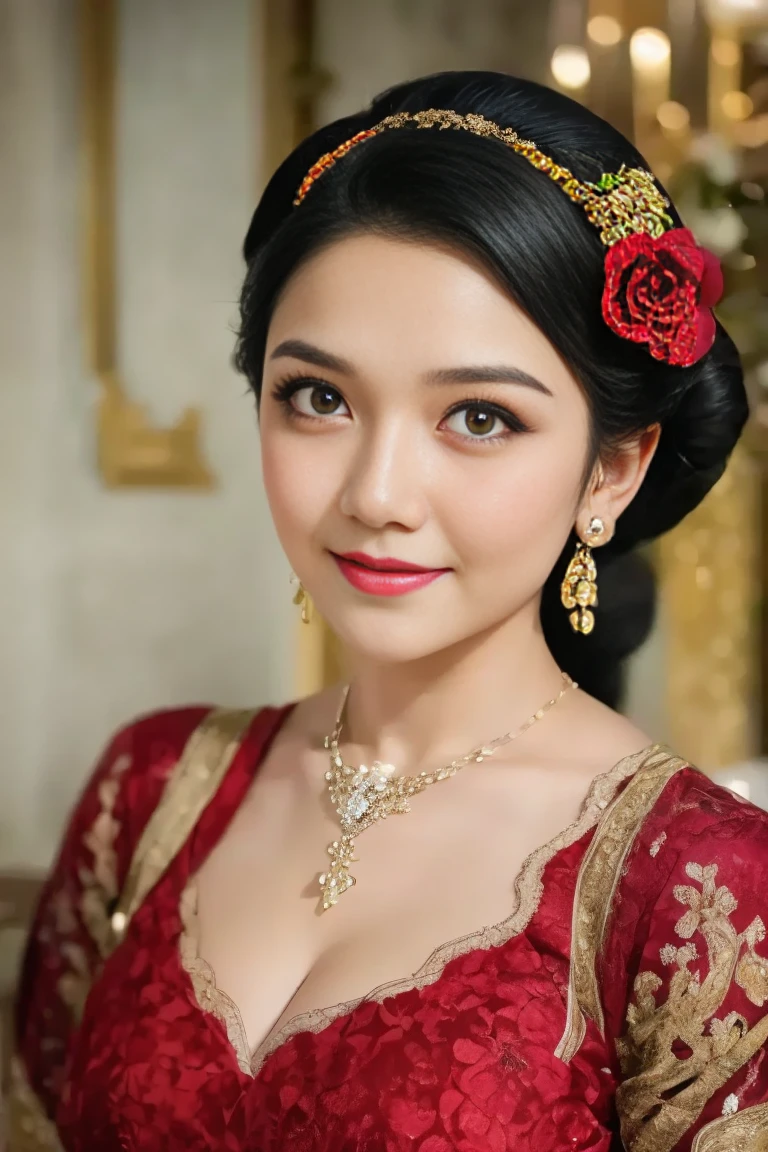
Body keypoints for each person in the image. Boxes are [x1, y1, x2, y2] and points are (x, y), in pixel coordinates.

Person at [9, 70, 767, 1152]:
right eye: (319, 398)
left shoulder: (702, 892)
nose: (374, 494)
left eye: (478, 416)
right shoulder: (149, 793)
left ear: (612, 470)